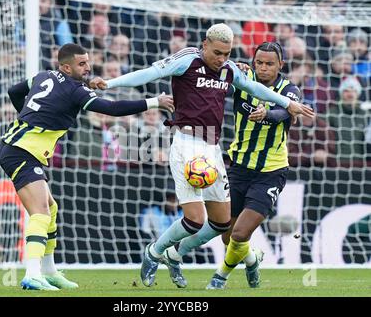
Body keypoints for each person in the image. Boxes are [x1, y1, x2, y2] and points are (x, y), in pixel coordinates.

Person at [90, 24, 314, 289]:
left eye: (227, 54)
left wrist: (288, 104)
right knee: (195, 220)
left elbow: (256, 89)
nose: (222, 59)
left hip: (213, 149)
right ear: (205, 44)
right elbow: (148, 73)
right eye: (217, 53)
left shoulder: (229, 70)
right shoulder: (187, 60)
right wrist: (110, 83)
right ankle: (154, 252)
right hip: (186, 144)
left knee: (221, 223)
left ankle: (176, 255)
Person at [0, 43, 174, 291]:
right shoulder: (74, 90)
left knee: (51, 208)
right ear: (66, 67)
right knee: (40, 213)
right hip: (20, 152)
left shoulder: (43, 75)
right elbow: (112, 108)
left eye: (88, 62)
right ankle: (32, 273)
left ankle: (49, 271)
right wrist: (155, 101)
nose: (88, 67)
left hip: (23, 149)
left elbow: (15, 91)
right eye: (82, 64)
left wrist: (26, 116)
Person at [204, 42, 303, 289]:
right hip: (238, 168)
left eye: (270, 64)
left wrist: (267, 115)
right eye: (259, 62)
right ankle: (252, 260)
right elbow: (213, 77)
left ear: (281, 64)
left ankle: (220, 277)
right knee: (227, 235)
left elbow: (284, 112)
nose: (263, 68)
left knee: (239, 234)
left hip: (270, 172)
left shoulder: (290, 89)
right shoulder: (242, 77)